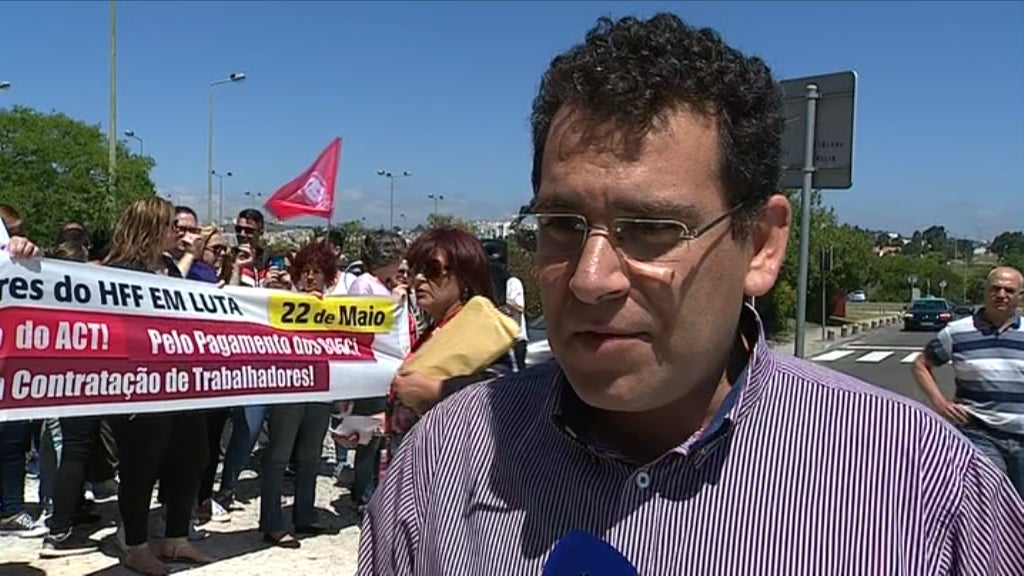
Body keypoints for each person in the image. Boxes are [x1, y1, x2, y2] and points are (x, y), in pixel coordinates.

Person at [358, 13, 1024, 575]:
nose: (591, 278)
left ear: (761, 245)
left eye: (651, 230)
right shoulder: (442, 465)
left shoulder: (932, 492)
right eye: (562, 225)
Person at [913, 266, 1024, 496]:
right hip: (979, 433)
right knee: (987, 501)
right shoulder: (956, 332)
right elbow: (922, 364)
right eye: (995, 288)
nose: (1001, 294)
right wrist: (941, 404)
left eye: (1009, 290)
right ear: (985, 291)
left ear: (1019, 296)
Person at [258, 240, 335, 548]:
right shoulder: (283, 301)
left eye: (317, 271)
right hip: (288, 388)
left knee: (310, 457)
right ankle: (272, 521)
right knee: (278, 455)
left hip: (321, 388)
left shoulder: (335, 308)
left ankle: (304, 513)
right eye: (305, 271)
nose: (311, 277)